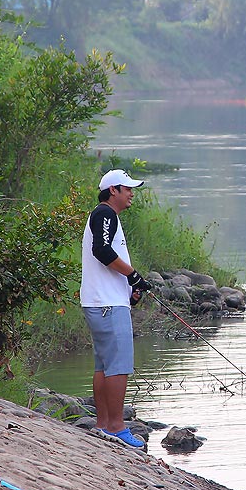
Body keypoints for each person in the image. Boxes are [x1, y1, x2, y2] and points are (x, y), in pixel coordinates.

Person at [80, 169, 151, 448]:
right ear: (113, 191)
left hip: (104, 301)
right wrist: (133, 275)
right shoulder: (105, 213)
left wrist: (130, 289)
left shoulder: (106, 215)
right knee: (118, 365)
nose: (132, 193)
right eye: (128, 189)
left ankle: (102, 425)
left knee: (104, 365)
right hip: (107, 304)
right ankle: (117, 427)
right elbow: (102, 250)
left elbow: (106, 256)